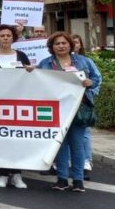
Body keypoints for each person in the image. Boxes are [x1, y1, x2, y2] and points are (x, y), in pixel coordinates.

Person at [38, 32, 101, 192]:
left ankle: (78, 180)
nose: (61, 46)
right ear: (52, 47)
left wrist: (90, 83)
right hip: (56, 110)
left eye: (64, 43)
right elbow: (36, 82)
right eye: (57, 44)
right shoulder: (45, 63)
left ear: (70, 45)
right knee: (60, 145)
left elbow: (97, 79)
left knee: (77, 145)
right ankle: (62, 179)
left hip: (78, 109)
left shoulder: (84, 61)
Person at [0, 24, 34, 189]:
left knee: (16, 138)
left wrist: (30, 71)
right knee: (0, 138)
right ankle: (2, 174)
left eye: (8, 35)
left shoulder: (21, 56)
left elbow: (29, 79)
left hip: (16, 104)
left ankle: (17, 175)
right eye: (2, 36)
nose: (5, 38)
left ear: (13, 38)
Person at [70, 33, 95, 177]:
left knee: (83, 135)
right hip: (65, 103)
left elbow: (96, 79)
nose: (74, 45)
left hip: (82, 103)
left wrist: (90, 93)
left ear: (81, 45)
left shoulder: (86, 61)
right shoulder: (55, 62)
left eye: (76, 43)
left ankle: (86, 162)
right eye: (71, 42)